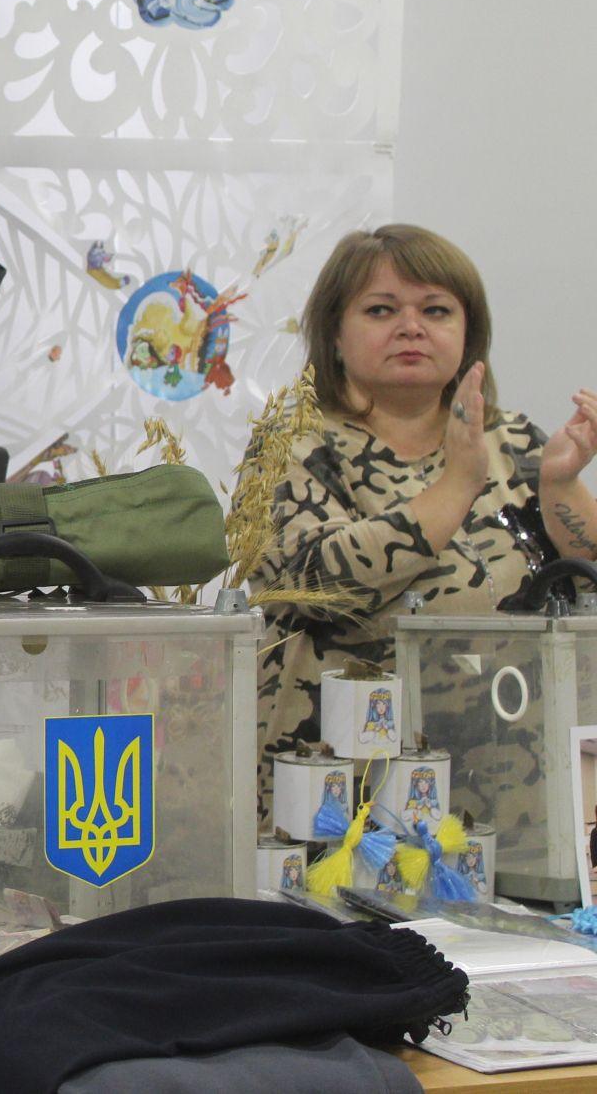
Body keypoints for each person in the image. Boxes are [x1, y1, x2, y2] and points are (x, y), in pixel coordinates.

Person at [251, 224, 597, 780]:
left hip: (514, 775)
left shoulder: (512, 440)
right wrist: (457, 487)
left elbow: (585, 584)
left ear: (468, 334)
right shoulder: (292, 444)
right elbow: (315, 583)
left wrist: (561, 487)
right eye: (381, 310)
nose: (411, 327)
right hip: (348, 781)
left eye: (436, 311)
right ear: (334, 335)